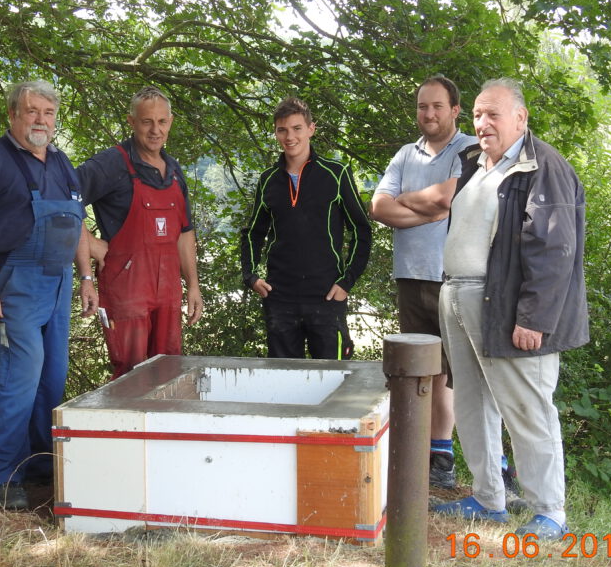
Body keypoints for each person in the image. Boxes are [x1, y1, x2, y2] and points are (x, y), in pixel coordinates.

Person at [402, 78, 588, 540]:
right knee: (472, 402)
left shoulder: (543, 167)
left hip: (508, 306)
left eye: (494, 115)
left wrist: (534, 318)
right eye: (479, 115)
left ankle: (550, 511)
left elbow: (554, 250)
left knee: (528, 408)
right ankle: (489, 499)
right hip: (460, 298)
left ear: (521, 119)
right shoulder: (475, 164)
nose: (483, 124)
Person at [0, 80, 98, 510]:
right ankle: (2, 476)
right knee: (20, 382)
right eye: (32, 111)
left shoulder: (61, 162)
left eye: (48, 113)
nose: (41, 120)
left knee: (52, 380)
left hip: (58, 285)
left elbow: (75, 224)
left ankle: (39, 467)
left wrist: (87, 277)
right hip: (16, 284)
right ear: (13, 115)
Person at [370, 75, 477, 489]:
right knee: (424, 372)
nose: (428, 114)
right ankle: (436, 458)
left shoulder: (468, 149)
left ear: (454, 109)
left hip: (453, 278)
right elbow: (379, 207)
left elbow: (447, 199)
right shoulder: (404, 154)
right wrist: (428, 210)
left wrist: (416, 202)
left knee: (461, 373)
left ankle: (496, 465)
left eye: (436, 106)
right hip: (411, 276)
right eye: (422, 107)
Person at [77, 86, 203, 379]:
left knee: (170, 371)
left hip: (168, 291)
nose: (155, 130)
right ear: (132, 122)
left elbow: (185, 233)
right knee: (129, 376)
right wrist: (91, 245)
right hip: (126, 289)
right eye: (147, 122)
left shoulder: (173, 170)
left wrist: (193, 285)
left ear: (170, 122)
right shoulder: (111, 163)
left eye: (161, 121)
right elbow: (62, 198)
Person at [241, 96, 372, 359]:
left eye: (297, 128)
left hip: (326, 296)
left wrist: (347, 281)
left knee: (334, 383)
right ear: (276, 133)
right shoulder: (268, 180)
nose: (290, 136)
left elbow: (361, 230)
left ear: (311, 129)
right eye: (282, 130)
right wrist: (251, 277)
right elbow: (253, 233)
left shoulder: (336, 173)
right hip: (279, 298)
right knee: (283, 383)